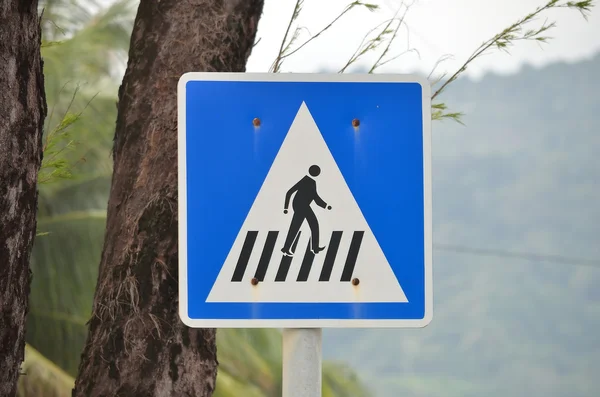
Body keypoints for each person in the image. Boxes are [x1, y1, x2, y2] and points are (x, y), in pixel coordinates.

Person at [281, 164, 332, 256]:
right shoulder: (305, 180)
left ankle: (313, 248)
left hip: (303, 206)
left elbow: (315, 198)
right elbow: (289, 192)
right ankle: (288, 248)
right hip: (300, 205)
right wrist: (285, 208)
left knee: (306, 225)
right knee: (303, 226)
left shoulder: (312, 182)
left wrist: (325, 206)